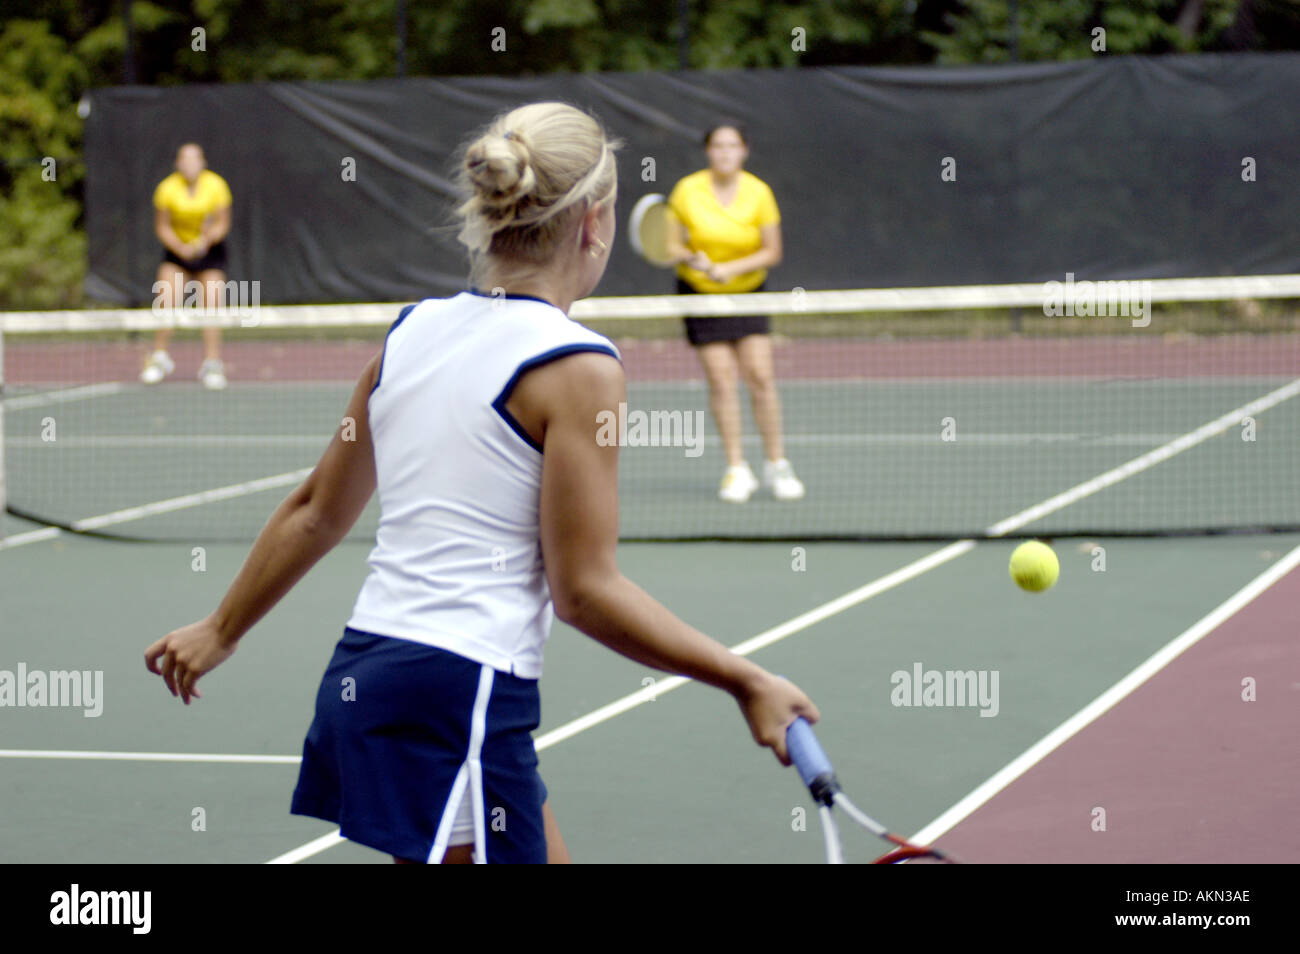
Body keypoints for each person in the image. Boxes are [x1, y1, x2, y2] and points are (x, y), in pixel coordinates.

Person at [143, 102, 819, 865]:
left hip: (371, 673)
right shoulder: (580, 366)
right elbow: (585, 590)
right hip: (456, 690)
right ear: (593, 224)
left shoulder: (409, 332)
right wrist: (743, 678)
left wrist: (222, 628)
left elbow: (314, 512)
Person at [665, 124, 805, 504]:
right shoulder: (687, 190)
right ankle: (736, 468)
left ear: (744, 150)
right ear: (708, 151)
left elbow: (772, 251)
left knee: (760, 375)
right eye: (717, 146)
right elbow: (669, 244)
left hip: (748, 294)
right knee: (722, 379)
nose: (725, 153)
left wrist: (732, 268)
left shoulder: (759, 192)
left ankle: (777, 464)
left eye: (732, 146)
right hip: (700, 296)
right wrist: (691, 257)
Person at [142, 142, 231, 390]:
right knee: (166, 301)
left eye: (195, 159)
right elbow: (162, 226)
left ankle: (212, 363)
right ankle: (159, 358)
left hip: (209, 253)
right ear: (178, 163)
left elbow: (222, 224)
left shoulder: (216, 186)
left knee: (211, 306)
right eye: (185, 159)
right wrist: (182, 248)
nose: (190, 164)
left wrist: (204, 241)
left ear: (202, 163)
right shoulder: (167, 189)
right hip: (177, 253)